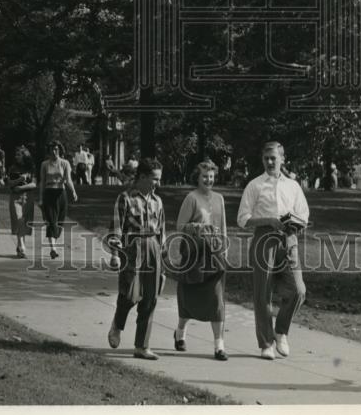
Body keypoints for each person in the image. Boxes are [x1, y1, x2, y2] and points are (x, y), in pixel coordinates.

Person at [237, 139, 309, 360]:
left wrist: (296, 224)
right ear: (262, 159)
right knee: (263, 294)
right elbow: (242, 219)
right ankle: (266, 343)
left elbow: (304, 214)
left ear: (282, 159)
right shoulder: (255, 185)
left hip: (289, 240)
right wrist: (268, 220)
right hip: (263, 240)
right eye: (266, 158)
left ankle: (281, 331)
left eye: (274, 158)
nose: (270, 162)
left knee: (298, 291)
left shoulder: (293, 186)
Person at [106, 158, 165, 360]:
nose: (157, 183)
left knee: (150, 298)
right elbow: (115, 228)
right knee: (130, 294)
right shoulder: (125, 198)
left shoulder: (157, 201)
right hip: (132, 249)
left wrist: (162, 259)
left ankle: (142, 346)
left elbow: (161, 231)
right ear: (142, 177)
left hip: (153, 249)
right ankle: (117, 323)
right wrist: (115, 255)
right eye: (154, 179)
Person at [173, 160, 228, 360]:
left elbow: (222, 226)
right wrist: (198, 228)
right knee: (189, 301)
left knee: (216, 300)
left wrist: (224, 245)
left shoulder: (220, 198)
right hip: (195, 255)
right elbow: (180, 226)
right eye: (205, 176)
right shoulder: (191, 198)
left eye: (212, 176)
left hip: (214, 256)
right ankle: (180, 332)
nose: (209, 179)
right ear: (197, 177)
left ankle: (219, 346)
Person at [38, 141, 78, 260]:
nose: (54, 152)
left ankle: (53, 243)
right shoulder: (44, 164)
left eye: (56, 149)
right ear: (49, 151)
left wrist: (73, 191)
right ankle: (53, 249)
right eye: (52, 149)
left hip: (61, 193)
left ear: (60, 150)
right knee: (51, 221)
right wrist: (40, 198)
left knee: (60, 222)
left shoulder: (65, 163)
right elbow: (42, 182)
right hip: (49, 193)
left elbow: (68, 180)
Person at [8, 146, 37, 258]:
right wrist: (19, 180)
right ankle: (22, 247)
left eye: (19, 155)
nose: (16, 157)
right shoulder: (13, 168)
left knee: (24, 222)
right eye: (16, 155)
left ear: (25, 156)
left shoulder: (31, 168)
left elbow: (34, 184)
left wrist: (21, 187)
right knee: (19, 221)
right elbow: (9, 183)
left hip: (28, 197)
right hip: (15, 197)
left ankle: (20, 246)